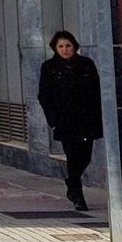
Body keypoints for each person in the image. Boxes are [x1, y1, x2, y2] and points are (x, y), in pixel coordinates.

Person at [37, 30, 103, 211]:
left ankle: (71, 181)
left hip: (86, 118)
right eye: (61, 46)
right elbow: (44, 95)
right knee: (73, 156)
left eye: (68, 46)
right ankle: (78, 195)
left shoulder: (86, 65)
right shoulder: (49, 67)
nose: (65, 49)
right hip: (65, 120)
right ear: (55, 48)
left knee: (85, 156)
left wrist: (98, 117)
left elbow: (97, 91)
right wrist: (53, 120)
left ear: (74, 46)